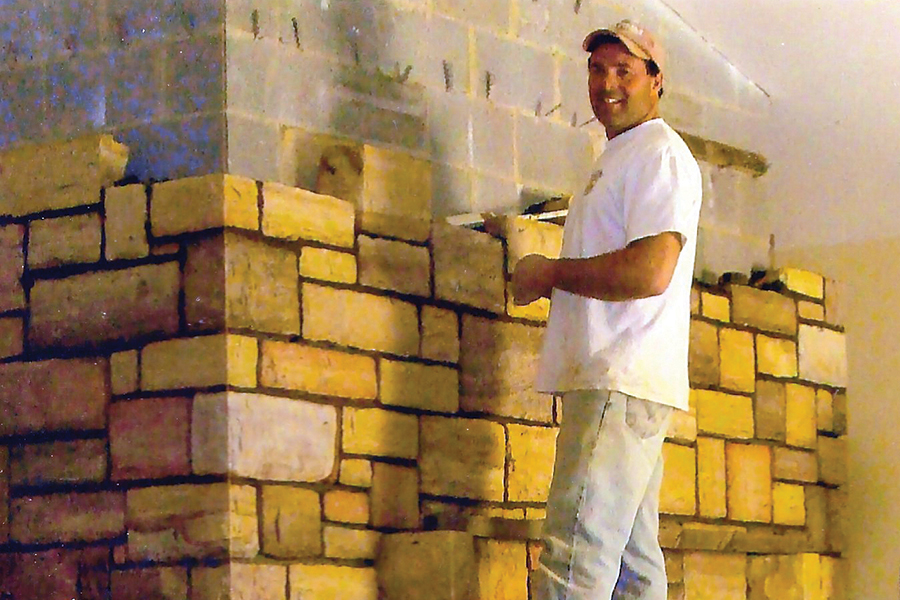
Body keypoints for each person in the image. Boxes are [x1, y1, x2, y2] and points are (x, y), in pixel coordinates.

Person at [511, 20, 703, 600]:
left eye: (624, 70)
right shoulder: (621, 157)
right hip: (626, 384)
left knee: (575, 563)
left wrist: (548, 273)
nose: (607, 84)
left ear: (656, 80)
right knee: (632, 569)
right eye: (598, 70)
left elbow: (650, 271)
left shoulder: (659, 155)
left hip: (617, 379)